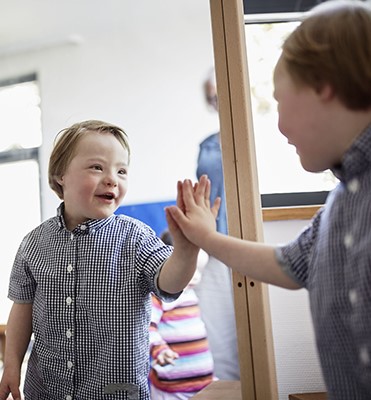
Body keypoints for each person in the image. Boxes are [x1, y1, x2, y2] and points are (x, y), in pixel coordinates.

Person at [167, 1, 371, 399]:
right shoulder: (338, 207)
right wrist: (206, 237)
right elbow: (288, 265)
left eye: (279, 101)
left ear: (322, 85)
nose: (278, 126)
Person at [0, 120, 209, 400]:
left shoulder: (135, 237)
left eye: (121, 170)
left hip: (115, 392)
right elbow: (22, 308)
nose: (112, 178)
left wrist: (186, 250)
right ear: (61, 174)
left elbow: (169, 283)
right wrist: (12, 365)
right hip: (46, 389)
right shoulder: (33, 243)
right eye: (97, 167)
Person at [194, 68, 240, 380]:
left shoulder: (256, 137)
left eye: (219, 95)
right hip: (213, 249)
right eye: (211, 99)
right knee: (219, 344)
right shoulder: (208, 145)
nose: (217, 104)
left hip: (244, 244)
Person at [149, 230, 214, 400]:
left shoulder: (190, 294)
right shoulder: (160, 297)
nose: (196, 278)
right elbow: (146, 327)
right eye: (191, 270)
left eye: (200, 271)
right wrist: (159, 350)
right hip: (172, 387)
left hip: (203, 382)